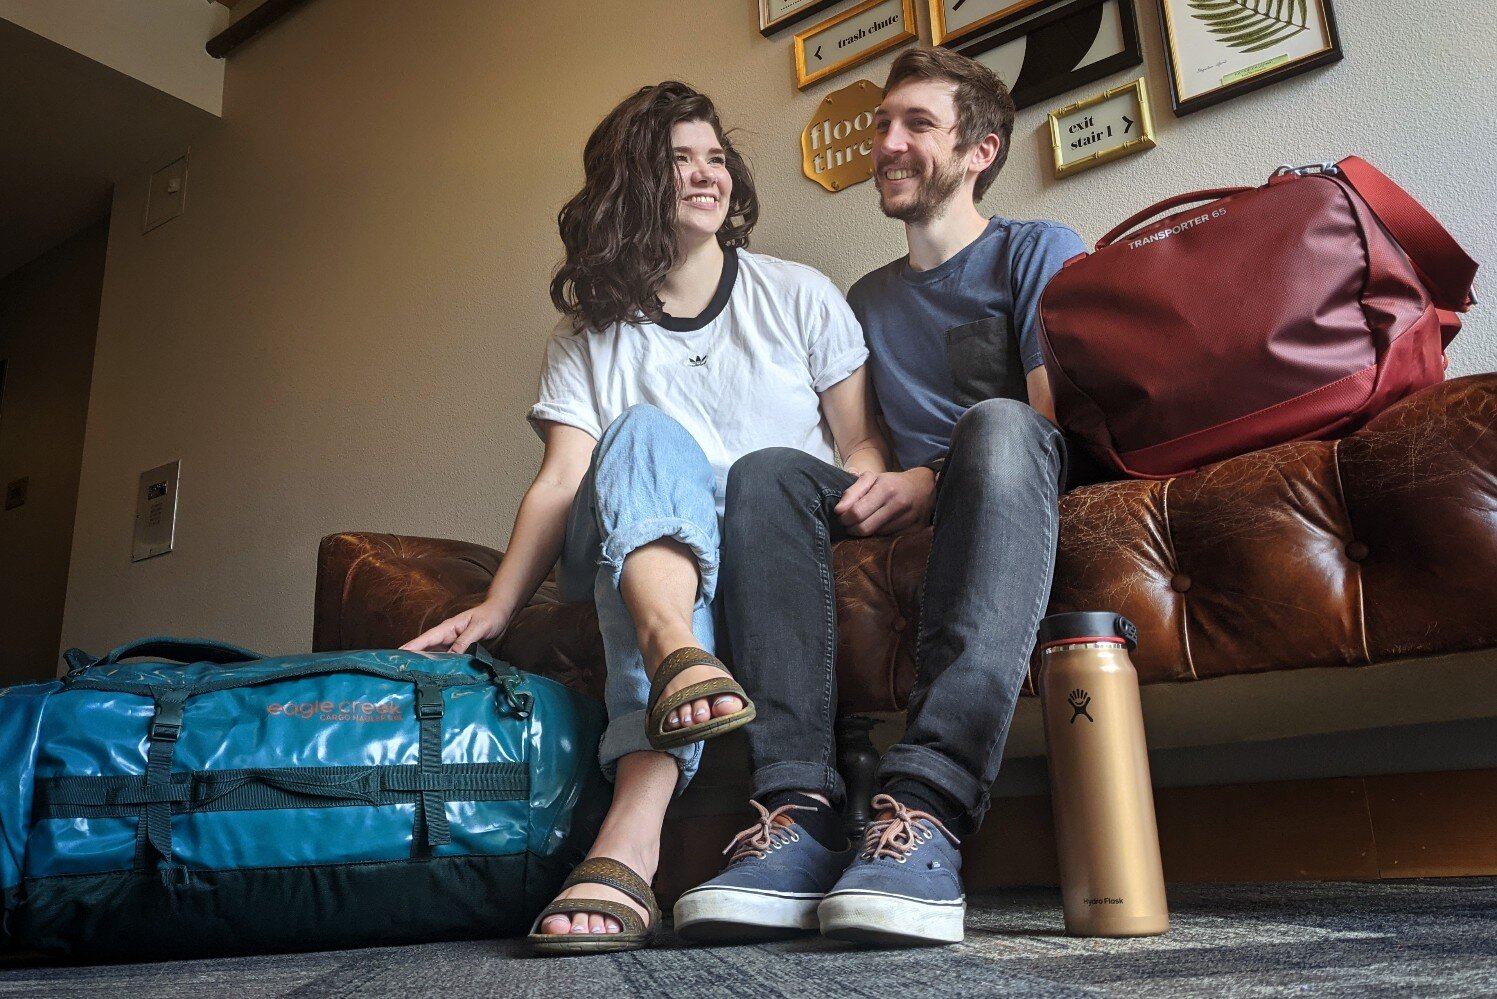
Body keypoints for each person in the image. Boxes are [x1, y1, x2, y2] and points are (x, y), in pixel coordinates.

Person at [402, 81, 890, 954]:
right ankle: (674, 648)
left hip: (764, 529)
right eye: (678, 162)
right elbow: (560, 479)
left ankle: (628, 837)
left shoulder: (799, 293)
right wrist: (499, 605)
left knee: (690, 521)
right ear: (632, 186)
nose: (707, 175)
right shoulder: (585, 334)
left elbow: (860, 449)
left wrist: (860, 496)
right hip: (630, 531)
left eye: (715, 158)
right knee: (644, 433)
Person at [674, 46, 1086, 946]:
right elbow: (859, 448)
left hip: (1001, 471)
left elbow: (1051, 422)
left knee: (998, 424)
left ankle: (927, 809)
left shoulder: (1037, 249)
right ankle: (796, 809)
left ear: (979, 150)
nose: (887, 143)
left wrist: (927, 480)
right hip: (908, 487)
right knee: (767, 471)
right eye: (881, 126)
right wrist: (881, 485)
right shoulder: (862, 299)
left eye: (916, 126)